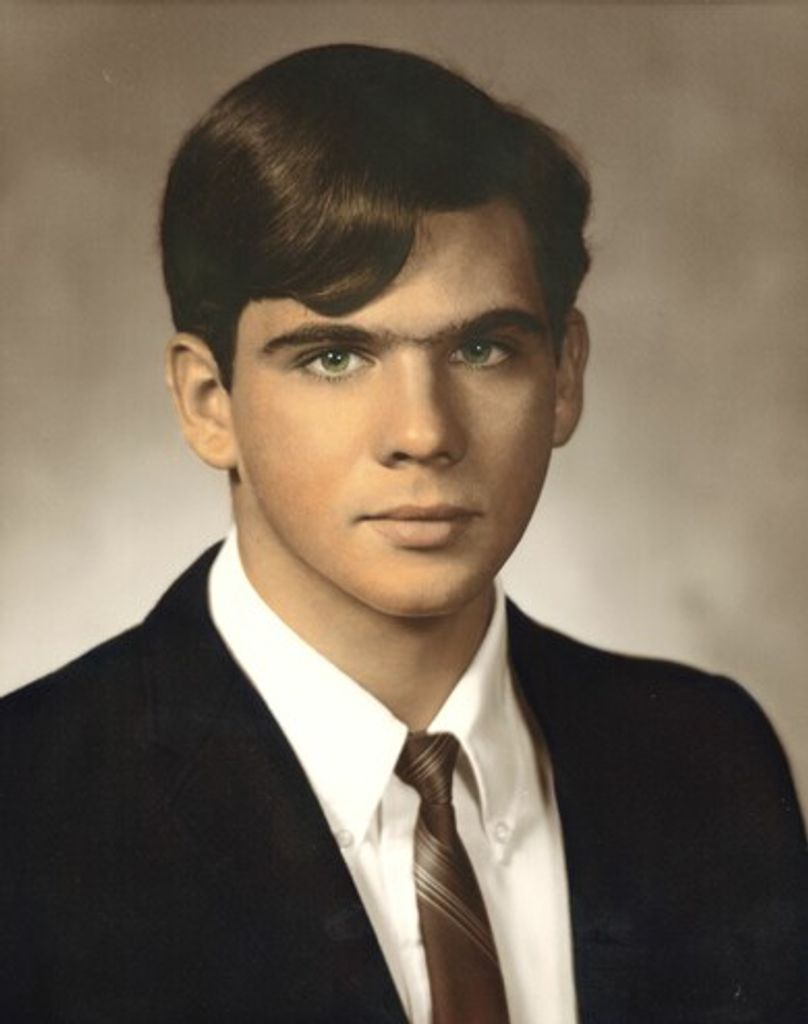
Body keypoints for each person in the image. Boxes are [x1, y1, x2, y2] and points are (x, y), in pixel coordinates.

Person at [0, 43, 804, 1024]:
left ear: (564, 377)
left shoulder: (709, 759)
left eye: (483, 348)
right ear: (209, 402)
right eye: (335, 357)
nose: (423, 433)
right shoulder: (27, 806)